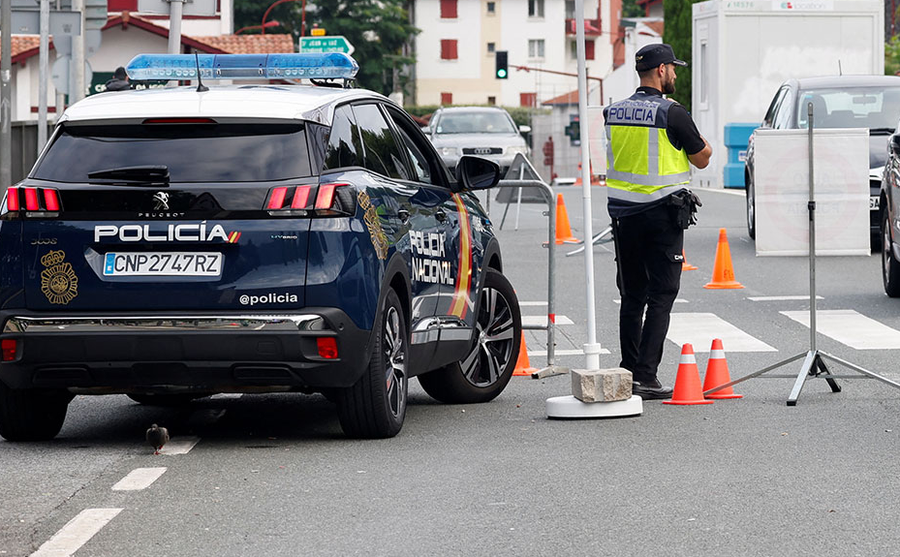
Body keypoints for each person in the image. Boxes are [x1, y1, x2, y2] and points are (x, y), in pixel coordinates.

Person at [603, 43, 712, 400]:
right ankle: (646, 376)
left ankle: (629, 371)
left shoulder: (613, 111)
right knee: (663, 293)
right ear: (661, 70)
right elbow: (702, 159)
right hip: (661, 214)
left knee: (632, 294)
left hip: (622, 215)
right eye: (673, 68)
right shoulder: (672, 113)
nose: (676, 74)